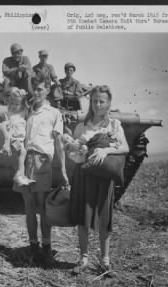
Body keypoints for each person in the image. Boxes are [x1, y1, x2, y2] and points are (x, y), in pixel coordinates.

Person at [68, 85, 129, 274]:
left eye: (102, 101)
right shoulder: (81, 126)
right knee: (83, 217)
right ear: (90, 102)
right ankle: (83, 259)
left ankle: (105, 261)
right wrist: (78, 149)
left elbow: (125, 148)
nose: (98, 104)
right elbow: (72, 152)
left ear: (109, 103)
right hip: (84, 174)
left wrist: (106, 150)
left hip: (103, 176)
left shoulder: (114, 125)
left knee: (104, 216)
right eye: (94, 101)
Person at [13, 76, 69, 266]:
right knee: (29, 208)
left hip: (43, 162)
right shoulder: (26, 112)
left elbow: (59, 144)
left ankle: (46, 249)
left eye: (40, 89)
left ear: (47, 90)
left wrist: (62, 170)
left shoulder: (53, 113)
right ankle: (33, 247)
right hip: (26, 160)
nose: (36, 93)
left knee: (43, 208)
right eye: (33, 89)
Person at [0, 87, 35, 186]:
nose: (14, 106)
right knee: (22, 153)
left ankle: (20, 175)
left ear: (22, 104)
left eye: (17, 104)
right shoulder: (7, 114)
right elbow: (2, 126)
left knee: (21, 156)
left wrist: (23, 94)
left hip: (21, 141)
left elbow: (31, 105)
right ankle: (19, 175)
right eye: (12, 103)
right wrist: (7, 140)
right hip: (13, 139)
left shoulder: (24, 113)